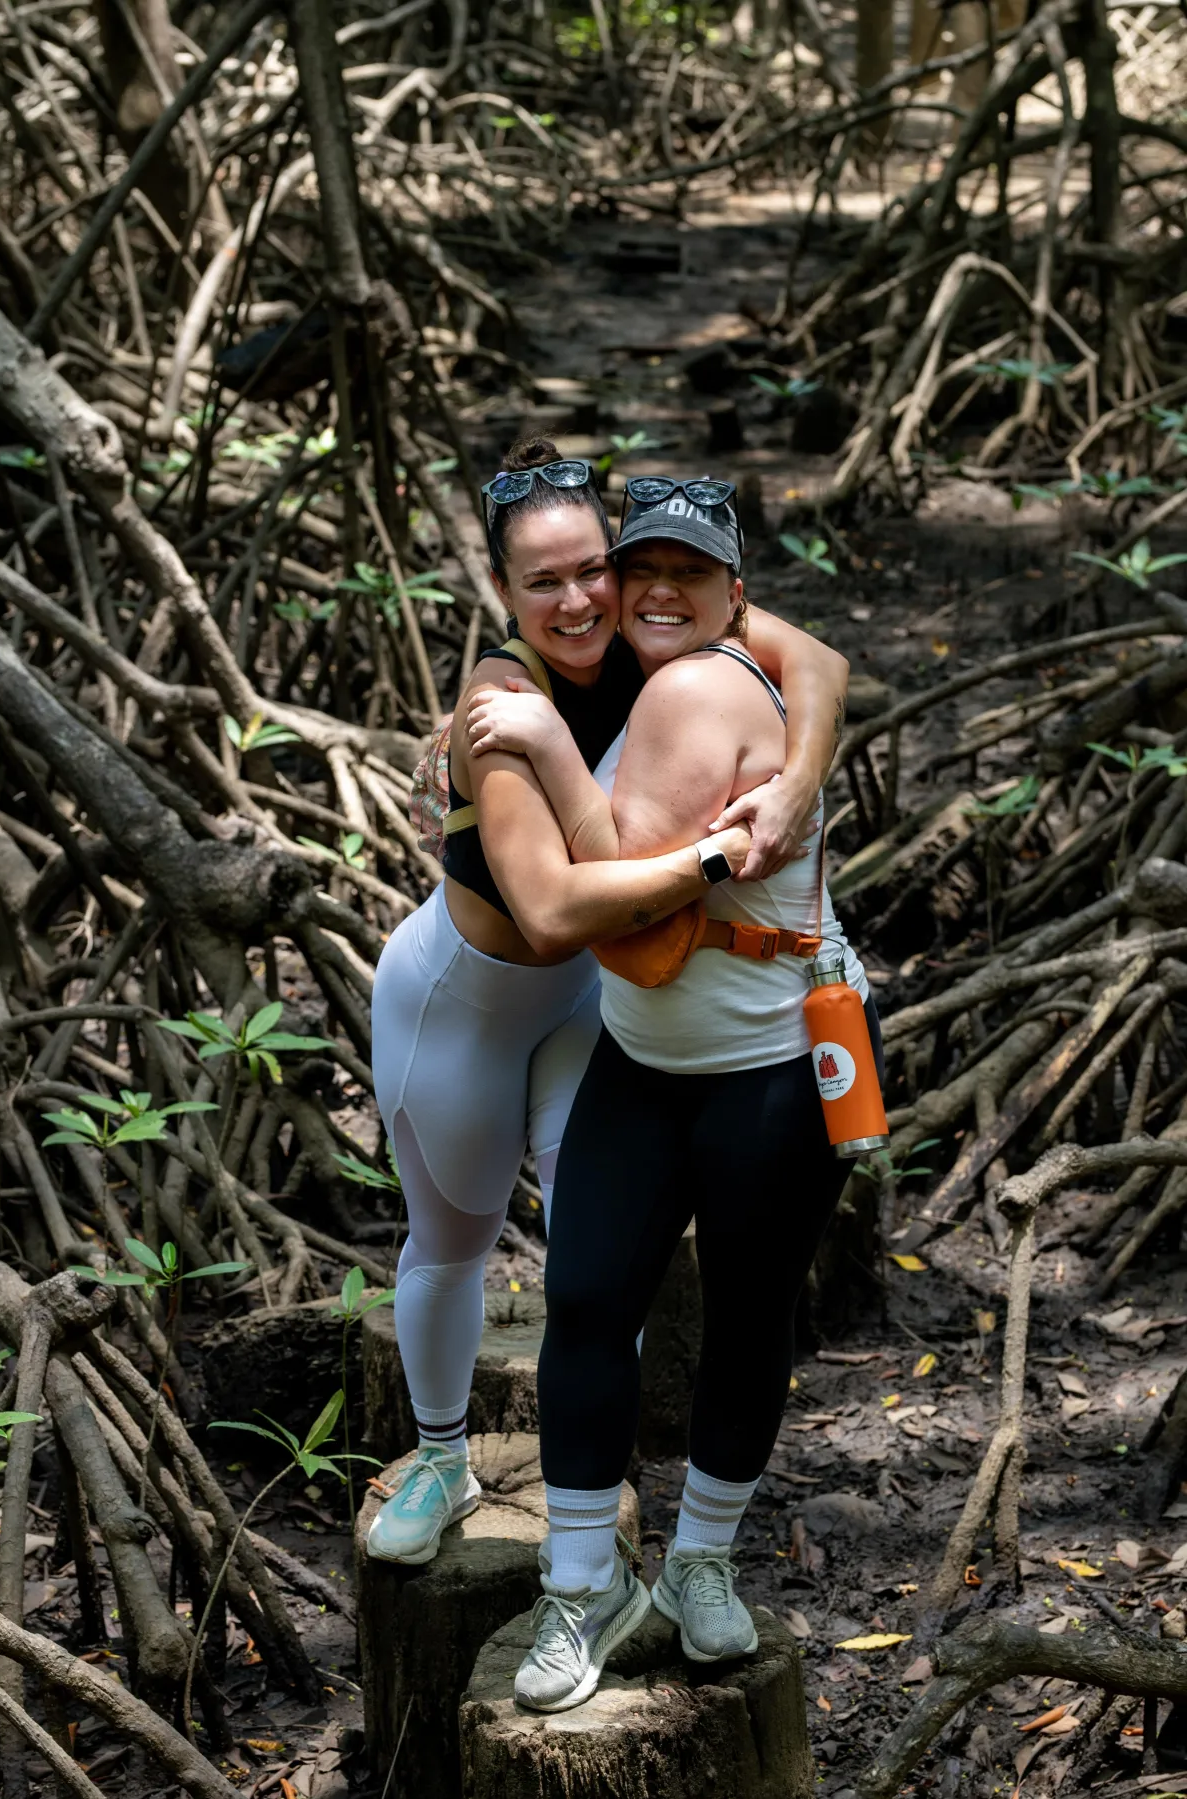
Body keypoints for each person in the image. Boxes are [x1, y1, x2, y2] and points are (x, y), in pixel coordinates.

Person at [365, 441, 850, 1567]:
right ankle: (439, 1453)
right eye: (544, 581)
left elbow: (819, 660)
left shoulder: (654, 629)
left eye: (594, 569)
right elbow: (548, 913)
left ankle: (588, 1499)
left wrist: (796, 784)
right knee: (454, 1237)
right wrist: (719, 857)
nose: (579, 601)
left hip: (594, 1003)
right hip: (465, 1003)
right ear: (503, 591)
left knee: (597, 1266)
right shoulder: (500, 704)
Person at [463, 478, 879, 1713]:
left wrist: (547, 747)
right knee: (590, 1302)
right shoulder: (663, 664)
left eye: (687, 573)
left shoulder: (697, 685)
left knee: (744, 1315)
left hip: (767, 1074)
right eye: (636, 565)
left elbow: (624, 896)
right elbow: (824, 661)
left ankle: (699, 1560)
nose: (652, 590)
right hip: (643, 1062)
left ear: (734, 596)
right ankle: (583, 1581)